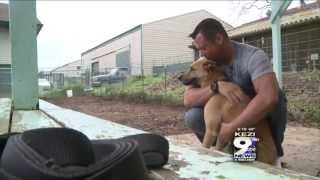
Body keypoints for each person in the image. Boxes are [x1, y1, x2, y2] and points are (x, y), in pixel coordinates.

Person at [184, 18, 287, 164]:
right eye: (199, 49)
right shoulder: (206, 62)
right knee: (193, 116)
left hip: (251, 119)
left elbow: (268, 98)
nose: (202, 53)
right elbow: (188, 99)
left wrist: (233, 127)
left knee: (276, 97)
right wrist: (216, 86)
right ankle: (226, 148)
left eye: (204, 48)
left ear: (219, 39)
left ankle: (272, 152)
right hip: (229, 115)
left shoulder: (252, 57)